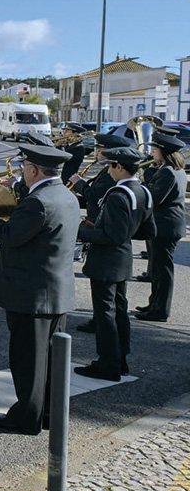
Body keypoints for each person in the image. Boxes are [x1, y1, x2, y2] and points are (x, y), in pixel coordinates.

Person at [0, 145, 78, 435]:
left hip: (32, 295)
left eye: (24, 167)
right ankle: (47, 413)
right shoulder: (65, 195)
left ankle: (26, 417)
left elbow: (10, 234)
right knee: (49, 361)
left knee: (28, 362)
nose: (21, 171)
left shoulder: (39, 202)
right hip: (55, 291)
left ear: (33, 170)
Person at [75, 146, 153, 381]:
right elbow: (148, 230)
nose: (109, 171)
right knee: (119, 310)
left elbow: (112, 236)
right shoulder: (142, 192)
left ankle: (108, 364)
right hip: (123, 258)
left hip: (107, 261)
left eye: (110, 166)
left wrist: (80, 233)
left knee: (105, 314)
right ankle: (120, 360)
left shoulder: (118, 195)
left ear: (119, 167)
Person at [134, 133, 186, 322]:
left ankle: (160, 310)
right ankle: (154, 304)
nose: (152, 153)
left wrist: (147, 178)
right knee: (157, 269)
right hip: (166, 225)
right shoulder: (174, 170)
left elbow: (155, 199)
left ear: (163, 152)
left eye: (155, 150)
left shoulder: (167, 172)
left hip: (165, 226)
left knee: (163, 271)